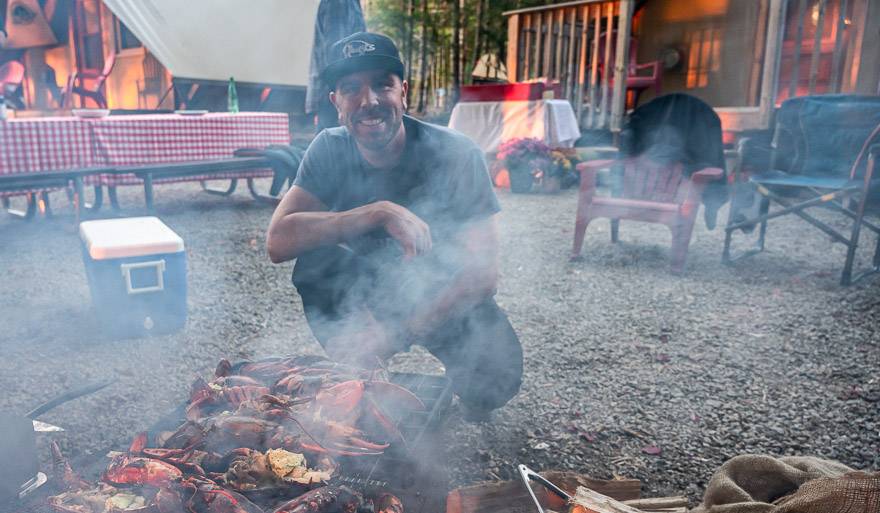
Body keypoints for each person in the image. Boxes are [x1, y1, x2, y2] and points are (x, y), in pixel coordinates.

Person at [267, 32, 522, 421]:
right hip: (366, 289)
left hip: (442, 289)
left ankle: (466, 394)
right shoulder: (328, 148)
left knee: (497, 378)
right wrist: (377, 212)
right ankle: (362, 375)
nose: (369, 101)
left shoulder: (455, 152)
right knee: (314, 257)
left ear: (403, 91)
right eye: (351, 89)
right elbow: (278, 241)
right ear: (336, 103)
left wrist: (400, 330)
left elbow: (483, 275)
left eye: (382, 84)